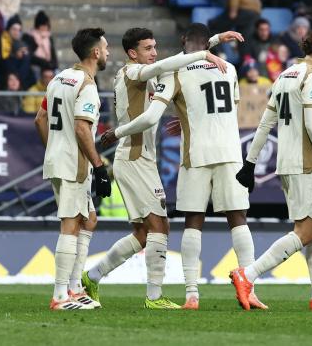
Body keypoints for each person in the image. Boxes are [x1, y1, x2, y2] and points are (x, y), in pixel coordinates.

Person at [101, 24, 263, 311]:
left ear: (182, 42)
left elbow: (155, 112)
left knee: (193, 221)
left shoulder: (173, 72)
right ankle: (249, 287)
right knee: (238, 218)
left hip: (195, 155)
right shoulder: (229, 67)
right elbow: (227, 109)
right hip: (229, 152)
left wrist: (116, 132)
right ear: (207, 43)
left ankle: (191, 295)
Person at [233, 29, 312, 311]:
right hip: (304, 162)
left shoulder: (285, 76)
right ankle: (246, 275)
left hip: (286, 162)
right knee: (306, 229)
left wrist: (250, 162)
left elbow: (264, 124)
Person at [34, 28, 111, 310]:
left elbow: (40, 119)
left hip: (56, 160)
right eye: (105, 48)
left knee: (89, 219)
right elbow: (82, 128)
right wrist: (99, 166)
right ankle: (60, 295)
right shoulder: (86, 85)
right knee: (71, 225)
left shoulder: (58, 78)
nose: (107, 52)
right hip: (73, 165)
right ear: (95, 53)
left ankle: (76, 287)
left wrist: (53, 148)